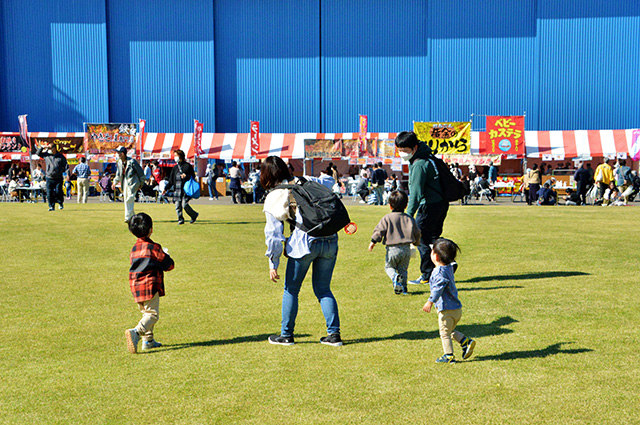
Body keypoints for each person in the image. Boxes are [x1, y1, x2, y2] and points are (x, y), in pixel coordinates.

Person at [261, 155, 343, 347]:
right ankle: (334, 335)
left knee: (291, 289)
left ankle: (286, 335)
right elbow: (329, 181)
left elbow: (273, 235)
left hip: (303, 243)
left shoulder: (274, 196)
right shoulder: (307, 179)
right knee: (323, 289)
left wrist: (273, 263)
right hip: (330, 238)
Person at [395, 132, 449, 285]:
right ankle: (447, 262)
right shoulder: (427, 157)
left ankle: (427, 274)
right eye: (399, 149)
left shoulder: (419, 164)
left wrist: (409, 214)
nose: (401, 153)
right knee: (433, 238)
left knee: (422, 239)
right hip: (440, 204)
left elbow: (416, 193)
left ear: (414, 147)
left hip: (429, 206)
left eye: (404, 149)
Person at [124, 213, 175, 354]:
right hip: (149, 285)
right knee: (152, 315)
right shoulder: (154, 247)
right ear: (151, 229)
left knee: (146, 313)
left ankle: (149, 341)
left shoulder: (134, 248)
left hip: (135, 285)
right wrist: (167, 255)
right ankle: (136, 332)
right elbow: (169, 265)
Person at [422, 238, 475, 364]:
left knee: (444, 333)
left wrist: (430, 301)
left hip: (447, 310)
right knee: (449, 330)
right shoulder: (449, 268)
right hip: (456, 309)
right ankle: (465, 342)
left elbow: (438, 289)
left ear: (435, 256)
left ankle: (449, 355)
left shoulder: (439, 272)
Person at [368, 190, 421, 295]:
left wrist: (373, 241)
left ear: (390, 206)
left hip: (392, 249)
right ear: (406, 206)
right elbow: (417, 232)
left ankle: (394, 277)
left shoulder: (387, 218)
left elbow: (379, 230)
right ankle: (404, 289)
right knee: (403, 270)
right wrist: (416, 243)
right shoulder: (409, 218)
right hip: (406, 249)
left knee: (389, 267)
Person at [164, 149, 199, 225]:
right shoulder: (175, 168)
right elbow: (171, 181)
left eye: (176, 155)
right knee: (177, 206)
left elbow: (193, 176)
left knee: (184, 204)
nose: (175, 157)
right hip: (177, 190)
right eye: (174, 156)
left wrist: (186, 176)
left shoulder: (187, 166)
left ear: (181, 156)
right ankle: (180, 219)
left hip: (185, 189)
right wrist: (166, 188)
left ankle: (194, 215)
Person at [112, 146, 145, 223]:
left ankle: (128, 217)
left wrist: (141, 183)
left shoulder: (132, 162)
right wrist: (114, 182)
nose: (117, 154)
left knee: (129, 198)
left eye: (118, 152)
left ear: (122, 154)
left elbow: (141, 173)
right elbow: (118, 174)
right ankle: (133, 216)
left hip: (133, 182)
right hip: (124, 182)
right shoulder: (119, 162)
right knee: (126, 199)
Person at [36, 142, 68, 211]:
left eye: (50, 148)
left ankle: (60, 203)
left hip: (58, 177)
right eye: (49, 148)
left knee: (58, 191)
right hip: (49, 177)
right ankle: (51, 206)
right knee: (49, 193)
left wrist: (68, 174)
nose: (49, 149)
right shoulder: (47, 155)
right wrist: (43, 148)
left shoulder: (60, 156)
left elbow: (66, 166)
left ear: (54, 148)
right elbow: (38, 153)